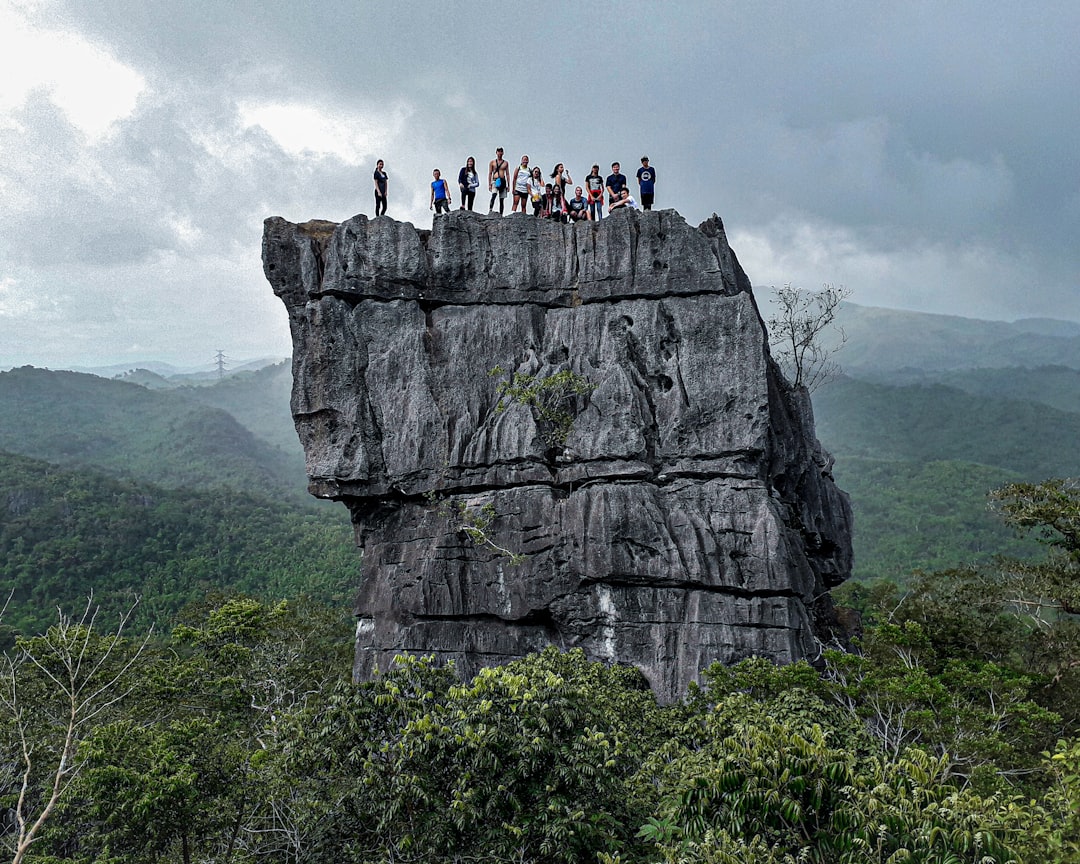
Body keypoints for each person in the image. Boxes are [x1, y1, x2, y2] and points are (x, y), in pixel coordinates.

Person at [488, 147, 509, 214]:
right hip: (495, 180)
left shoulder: (505, 163)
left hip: (503, 181)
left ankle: (501, 213)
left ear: (503, 153)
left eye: (501, 151)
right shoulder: (492, 162)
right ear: (496, 152)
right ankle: (490, 209)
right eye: (498, 151)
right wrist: (489, 184)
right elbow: (490, 173)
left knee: (501, 199)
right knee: (494, 195)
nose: (499, 153)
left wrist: (508, 185)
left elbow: (507, 174)